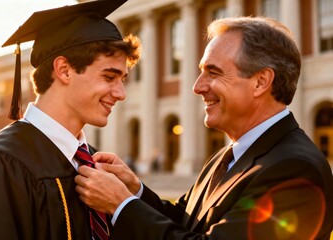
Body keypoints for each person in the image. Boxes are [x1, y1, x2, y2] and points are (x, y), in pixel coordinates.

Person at [75, 16, 333, 239]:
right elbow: (184, 221)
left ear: (260, 82)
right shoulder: (228, 156)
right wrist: (135, 189)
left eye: (213, 72)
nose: (197, 86)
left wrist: (121, 205)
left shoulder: (294, 170)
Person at [0, 0, 141, 239]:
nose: (121, 94)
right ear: (64, 70)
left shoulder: (91, 164)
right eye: (109, 76)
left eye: (122, 79)